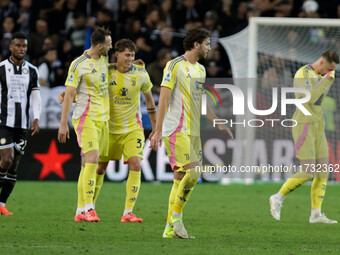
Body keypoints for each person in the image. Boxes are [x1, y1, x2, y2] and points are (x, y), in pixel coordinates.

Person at [150, 28, 233, 238]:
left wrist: (218, 122)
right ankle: (176, 219)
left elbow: (201, 102)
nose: (209, 48)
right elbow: (164, 100)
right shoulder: (174, 65)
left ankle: (170, 229)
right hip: (176, 129)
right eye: (206, 44)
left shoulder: (201, 70)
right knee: (194, 173)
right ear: (196, 44)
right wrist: (157, 130)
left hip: (193, 132)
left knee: (180, 177)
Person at [269, 50, 339, 224]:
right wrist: (326, 80)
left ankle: (316, 213)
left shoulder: (326, 74)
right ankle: (277, 198)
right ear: (322, 63)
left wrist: (326, 78)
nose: (329, 73)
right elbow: (308, 99)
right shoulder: (302, 74)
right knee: (308, 171)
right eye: (329, 68)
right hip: (304, 123)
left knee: (324, 169)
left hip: (318, 122)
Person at [95, 39, 156, 223]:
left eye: (132, 55)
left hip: (133, 129)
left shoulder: (141, 74)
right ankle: (89, 207)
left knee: (136, 164)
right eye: (127, 55)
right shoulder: (106, 71)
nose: (130, 59)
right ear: (117, 54)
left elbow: (150, 102)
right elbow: (87, 78)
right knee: (100, 168)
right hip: (109, 128)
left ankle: (128, 212)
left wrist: (155, 129)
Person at [57, 27, 112, 222]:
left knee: (89, 165)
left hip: (103, 119)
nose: (111, 46)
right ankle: (89, 208)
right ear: (99, 45)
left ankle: (80, 210)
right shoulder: (78, 64)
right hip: (85, 117)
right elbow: (69, 94)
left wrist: (133, 66)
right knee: (92, 159)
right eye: (109, 44)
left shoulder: (104, 60)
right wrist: (63, 125)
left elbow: (111, 69)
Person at [0, 32, 41, 215]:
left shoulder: (32, 70)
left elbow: (36, 95)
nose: (21, 49)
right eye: (17, 46)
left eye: (24, 46)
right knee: (6, 160)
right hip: (4, 122)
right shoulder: (1, 68)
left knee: (14, 165)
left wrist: (36, 116)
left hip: (22, 125)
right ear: (11, 47)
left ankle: (2, 204)